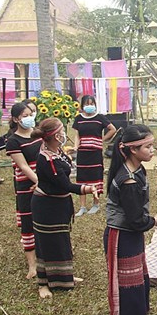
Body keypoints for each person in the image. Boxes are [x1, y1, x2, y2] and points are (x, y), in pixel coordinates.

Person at [104, 124, 157, 315]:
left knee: (135, 281)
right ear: (132, 149)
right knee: (126, 285)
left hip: (129, 235)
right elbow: (136, 220)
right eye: (148, 146)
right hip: (122, 236)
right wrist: (155, 221)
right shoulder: (128, 179)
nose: (153, 150)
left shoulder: (135, 170)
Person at [31, 118, 99, 299]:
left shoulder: (56, 151)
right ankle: (43, 284)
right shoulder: (46, 159)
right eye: (61, 131)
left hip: (59, 205)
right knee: (45, 245)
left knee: (61, 242)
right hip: (46, 207)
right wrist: (88, 188)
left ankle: (64, 277)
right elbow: (65, 185)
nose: (64, 134)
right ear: (55, 135)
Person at [5, 101, 43, 279]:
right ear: (15, 119)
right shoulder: (13, 140)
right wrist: (40, 181)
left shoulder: (38, 135)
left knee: (45, 221)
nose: (29, 118)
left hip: (44, 185)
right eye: (25, 116)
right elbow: (23, 166)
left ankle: (47, 258)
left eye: (31, 114)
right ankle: (32, 265)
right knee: (28, 224)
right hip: (26, 187)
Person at [72, 95, 116, 217]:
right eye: (87, 104)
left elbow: (112, 129)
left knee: (95, 176)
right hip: (82, 153)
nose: (89, 106)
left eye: (92, 103)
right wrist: (76, 147)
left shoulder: (100, 118)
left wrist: (102, 140)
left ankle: (96, 204)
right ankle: (82, 207)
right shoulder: (78, 119)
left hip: (95, 153)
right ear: (82, 106)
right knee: (82, 178)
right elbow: (77, 135)